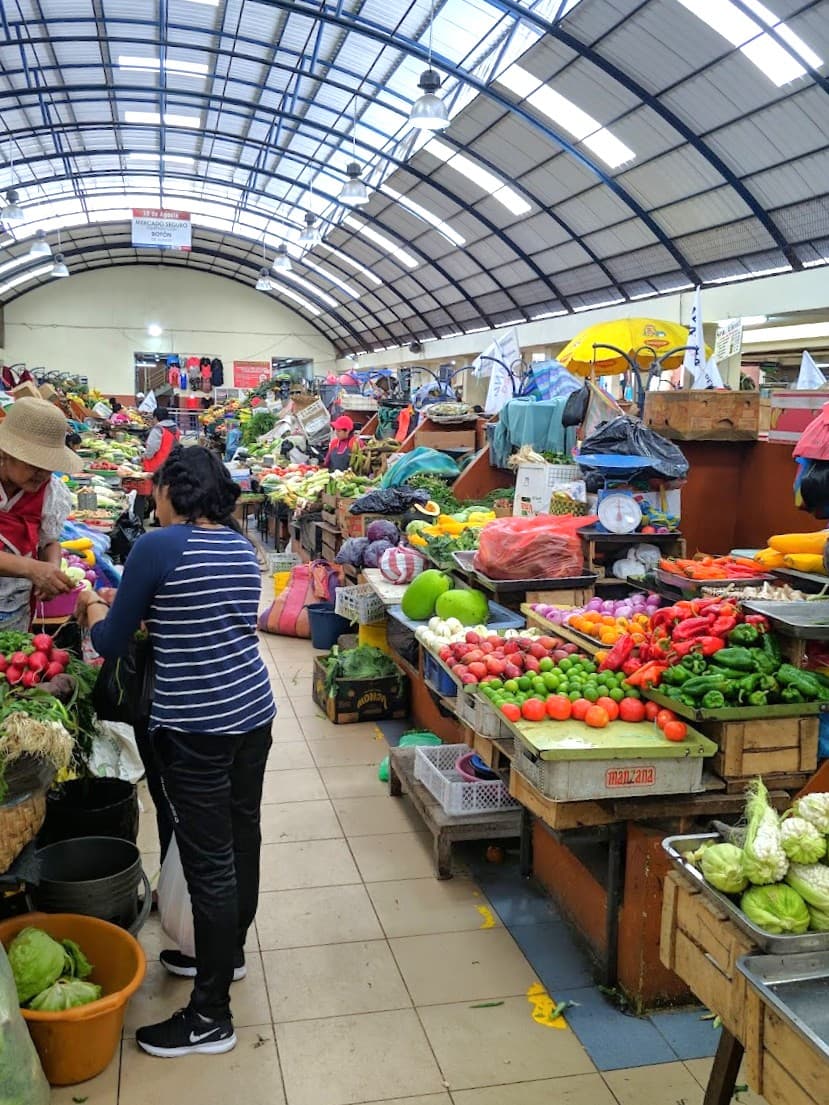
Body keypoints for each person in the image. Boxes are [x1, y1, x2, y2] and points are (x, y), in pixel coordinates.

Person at [76, 445, 275, 1059]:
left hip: (196, 727)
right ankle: (228, 955)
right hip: (252, 712)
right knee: (243, 836)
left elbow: (110, 640)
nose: (152, 499)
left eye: (157, 488)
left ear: (173, 491)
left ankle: (211, 1017)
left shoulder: (159, 547)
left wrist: (90, 605)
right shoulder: (243, 547)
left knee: (209, 858)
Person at [0, 399, 78, 631]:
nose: (43, 473)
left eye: (49, 465)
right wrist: (31, 569)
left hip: (15, 613)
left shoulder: (50, 493)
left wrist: (51, 569)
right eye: (35, 463)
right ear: (6, 453)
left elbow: (49, 541)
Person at [136, 407, 181, 523]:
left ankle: (146, 516)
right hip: (170, 463)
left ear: (156, 417)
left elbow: (151, 448)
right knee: (163, 492)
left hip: (155, 465)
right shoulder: (175, 429)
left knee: (149, 491)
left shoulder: (158, 429)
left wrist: (144, 456)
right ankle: (158, 518)